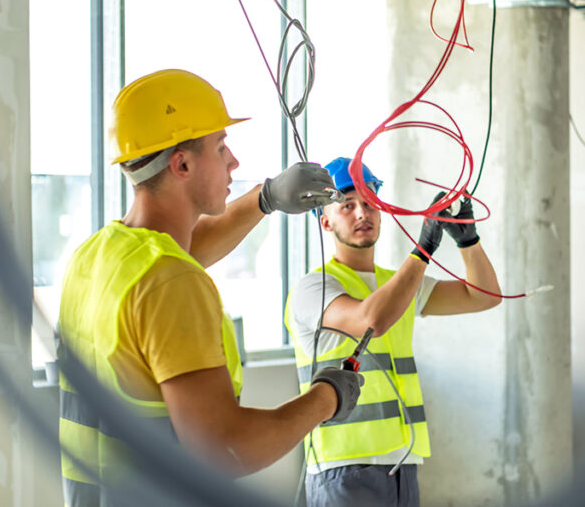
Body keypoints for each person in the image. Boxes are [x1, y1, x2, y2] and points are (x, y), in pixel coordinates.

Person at [56, 69, 365, 506]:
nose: (234, 162)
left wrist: (267, 197)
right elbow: (224, 447)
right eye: (221, 148)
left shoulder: (99, 256)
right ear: (182, 164)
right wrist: (325, 398)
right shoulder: (172, 282)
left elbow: (181, 253)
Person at [284, 157, 503, 507]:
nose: (362, 213)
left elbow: (483, 296)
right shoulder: (315, 288)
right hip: (345, 469)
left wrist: (469, 242)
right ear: (324, 220)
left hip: (402, 463)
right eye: (347, 205)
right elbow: (370, 319)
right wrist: (423, 250)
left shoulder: (398, 284)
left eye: (371, 203)